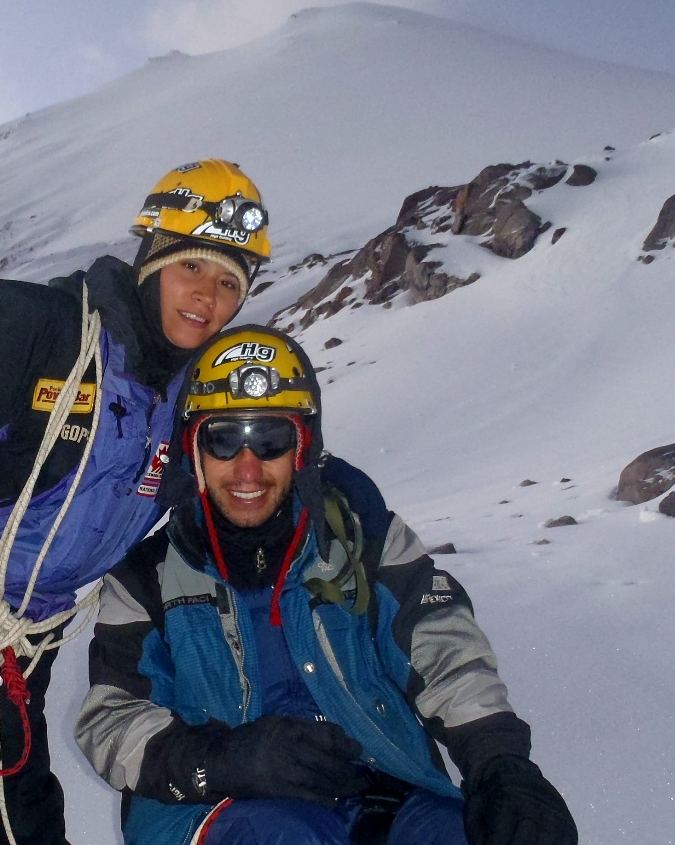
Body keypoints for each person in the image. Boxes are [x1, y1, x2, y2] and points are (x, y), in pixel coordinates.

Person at [0, 159, 273, 845]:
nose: (206, 296)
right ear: (152, 259)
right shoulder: (38, 327)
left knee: (19, 797)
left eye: (228, 284)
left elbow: (236, 484)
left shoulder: (191, 400)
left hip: (26, 622)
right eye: (193, 269)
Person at [75, 325, 579, 845]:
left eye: (270, 439)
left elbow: (441, 647)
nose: (248, 469)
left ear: (302, 447)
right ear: (194, 450)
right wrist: (226, 760)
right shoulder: (145, 578)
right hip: (216, 807)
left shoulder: (367, 540)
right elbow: (110, 722)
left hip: (379, 788)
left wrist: (499, 762)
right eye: (224, 439)